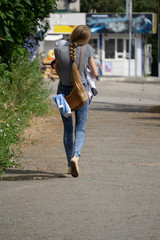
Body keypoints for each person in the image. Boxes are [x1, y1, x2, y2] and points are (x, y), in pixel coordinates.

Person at [54, 25, 98, 177]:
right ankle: (75, 157)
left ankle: (68, 164)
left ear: (73, 35)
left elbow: (57, 69)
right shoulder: (87, 50)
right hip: (81, 92)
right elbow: (95, 72)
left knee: (68, 129)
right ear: (86, 39)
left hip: (64, 93)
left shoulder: (59, 48)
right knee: (80, 128)